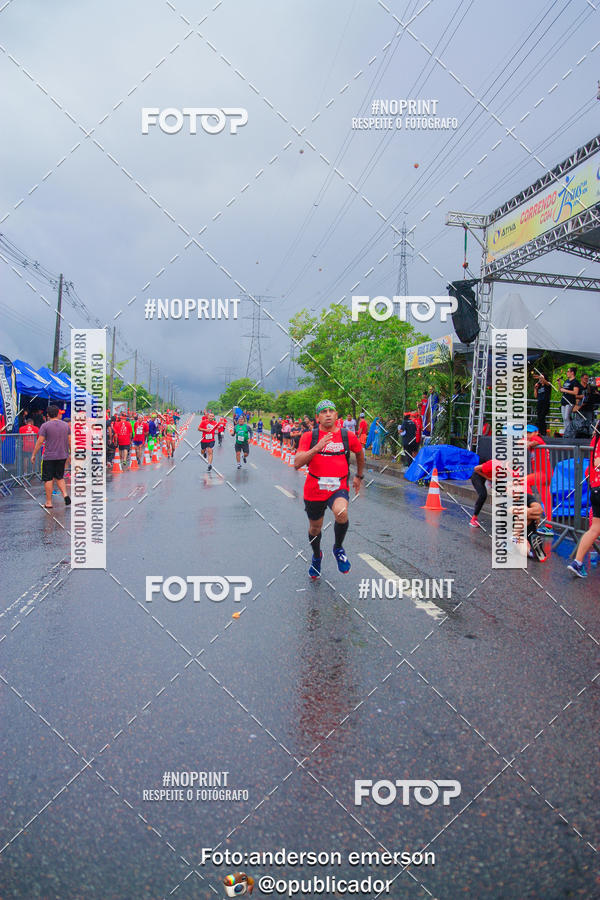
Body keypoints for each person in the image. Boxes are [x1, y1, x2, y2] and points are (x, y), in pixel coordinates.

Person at [294, 399, 364, 578]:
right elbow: (297, 463)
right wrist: (317, 447)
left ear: (336, 415)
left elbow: (359, 452)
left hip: (338, 486)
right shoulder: (309, 437)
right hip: (315, 488)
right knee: (315, 529)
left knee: (341, 513)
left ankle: (338, 548)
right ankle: (317, 556)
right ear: (317, 417)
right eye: (323, 411)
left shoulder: (347, 435)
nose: (327, 414)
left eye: (330, 411)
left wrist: (358, 475)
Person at [568, 421, 600, 577]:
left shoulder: (596, 439)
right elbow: (597, 463)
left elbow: (593, 465)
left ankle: (578, 562)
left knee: (594, 528)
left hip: (595, 487)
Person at [31, 404, 71, 509]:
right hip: (62, 455)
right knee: (59, 476)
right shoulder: (65, 425)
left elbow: (40, 441)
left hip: (49, 456)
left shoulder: (45, 426)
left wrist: (34, 454)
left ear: (48, 415)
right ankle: (65, 495)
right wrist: (71, 453)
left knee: (48, 478)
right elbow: (70, 441)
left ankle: (49, 502)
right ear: (57, 413)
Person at [558, 367, 581, 437]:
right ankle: (566, 431)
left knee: (566, 417)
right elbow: (561, 389)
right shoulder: (566, 381)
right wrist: (559, 383)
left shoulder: (575, 382)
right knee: (563, 417)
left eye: (568, 371)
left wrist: (565, 391)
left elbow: (575, 392)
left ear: (572, 373)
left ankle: (570, 432)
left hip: (570, 401)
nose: (567, 373)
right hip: (564, 400)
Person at [534, 372, 552, 436]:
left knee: (542, 416)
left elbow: (546, 382)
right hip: (540, 402)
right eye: (540, 378)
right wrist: (535, 388)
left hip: (545, 402)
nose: (540, 380)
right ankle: (540, 431)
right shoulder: (539, 386)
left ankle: (543, 431)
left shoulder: (548, 384)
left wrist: (540, 377)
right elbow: (536, 396)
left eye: (541, 378)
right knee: (539, 417)